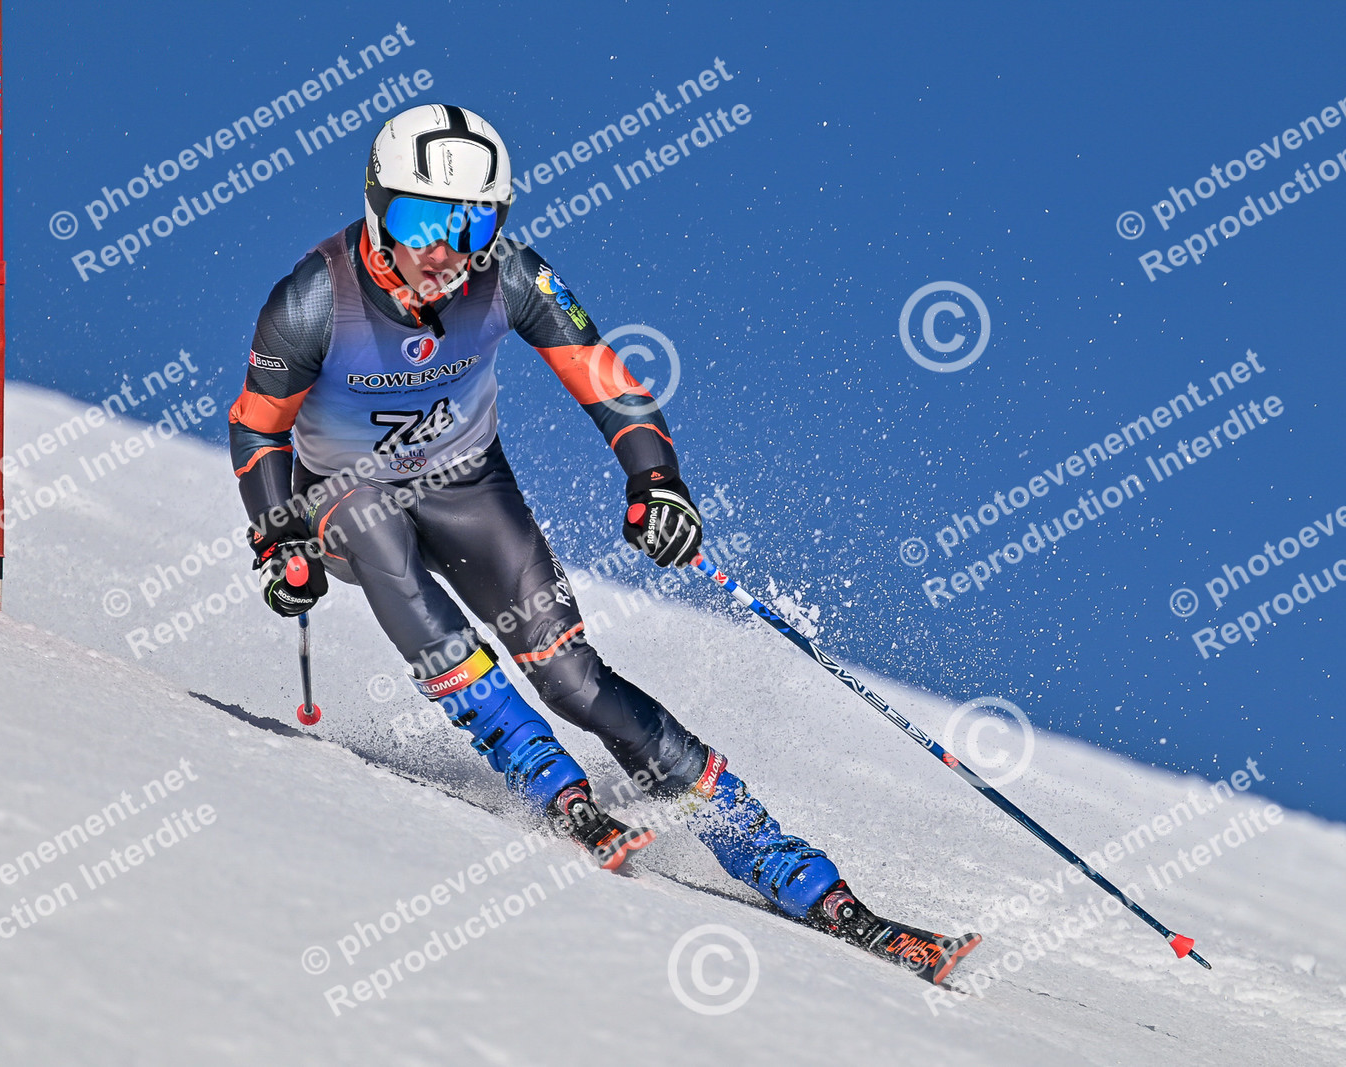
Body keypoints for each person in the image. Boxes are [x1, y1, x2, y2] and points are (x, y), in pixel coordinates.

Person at [227, 104, 975, 980]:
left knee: (572, 677)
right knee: (371, 527)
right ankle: (544, 774)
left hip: (467, 486)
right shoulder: (313, 299)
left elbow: (605, 380)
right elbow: (256, 426)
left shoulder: (511, 275)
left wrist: (656, 481)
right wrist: (279, 538)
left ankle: (778, 856)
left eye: (472, 224)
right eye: (424, 220)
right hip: (342, 501)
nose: (447, 250)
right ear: (376, 205)